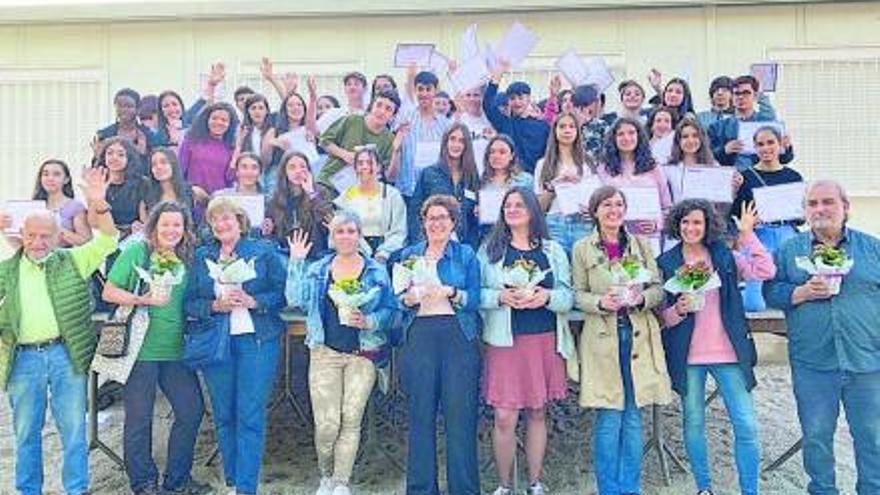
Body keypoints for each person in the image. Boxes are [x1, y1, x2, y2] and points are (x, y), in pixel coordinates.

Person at [0, 168, 118, 495]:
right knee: (25, 434)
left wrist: (99, 202)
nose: (38, 243)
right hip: (23, 360)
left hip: (66, 356)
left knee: (74, 432)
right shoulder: (6, 271)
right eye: (32, 236)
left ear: (57, 236)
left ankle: (76, 490)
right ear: (21, 236)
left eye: (45, 236)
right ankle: (28, 491)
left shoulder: (72, 261)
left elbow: (109, 241)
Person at [764, 180, 880, 495]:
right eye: (812, 204)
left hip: (867, 362)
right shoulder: (789, 251)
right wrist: (799, 292)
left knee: (872, 438)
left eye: (828, 202)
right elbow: (770, 291)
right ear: (805, 211)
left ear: (846, 208)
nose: (820, 209)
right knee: (816, 437)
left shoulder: (873, 249)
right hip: (813, 362)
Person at [658, 199, 775, 495]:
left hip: (728, 353)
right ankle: (704, 488)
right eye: (685, 222)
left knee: (746, 424)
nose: (690, 228)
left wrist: (747, 235)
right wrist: (679, 310)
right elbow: (661, 318)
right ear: (677, 225)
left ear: (707, 224)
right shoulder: (667, 262)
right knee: (693, 423)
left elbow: (765, 270)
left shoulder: (724, 256)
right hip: (688, 356)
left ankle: (750, 490)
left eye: (697, 222)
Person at [286, 211, 396, 495]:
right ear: (332, 238)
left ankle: (340, 482)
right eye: (340, 232)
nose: (346, 236)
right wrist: (296, 261)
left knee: (351, 418)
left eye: (351, 231)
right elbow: (294, 299)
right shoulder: (318, 269)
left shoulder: (375, 271)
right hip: (325, 352)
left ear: (359, 236)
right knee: (327, 424)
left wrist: (370, 321)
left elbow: (392, 312)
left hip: (364, 352)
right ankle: (325, 474)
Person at [102, 201, 209, 495]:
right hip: (141, 350)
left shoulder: (187, 258)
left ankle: (177, 479)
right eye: (165, 224)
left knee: (191, 410)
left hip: (175, 350)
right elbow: (109, 292)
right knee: (139, 418)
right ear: (154, 226)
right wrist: (144, 300)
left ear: (185, 229)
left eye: (177, 225)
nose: (171, 230)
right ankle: (144, 483)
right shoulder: (138, 252)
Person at [571, 185, 671, 495]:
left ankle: (631, 488)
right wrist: (601, 303)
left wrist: (640, 298)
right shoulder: (582, 248)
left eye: (618, 204)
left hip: (638, 335)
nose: (613, 210)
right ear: (595, 211)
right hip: (603, 338)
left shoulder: (640, 246)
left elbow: (659, 288)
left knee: (633, 413)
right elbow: (577, 294)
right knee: (609, 415)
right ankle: (609, 490)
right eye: (606, 205)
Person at [184, 197, 286, 495]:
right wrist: (214, 305)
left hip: (257, 341)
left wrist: (256, 301)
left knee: (250, 413)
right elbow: (189, 301)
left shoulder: (262, 251)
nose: (221, 224)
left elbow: (282, 292)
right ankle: (231, 481)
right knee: (224, 414)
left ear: (240, 221)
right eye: (215, 219)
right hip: (216, 342)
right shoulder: (202, 256)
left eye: (227, 218)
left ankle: (246, 487)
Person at [478, 187, 576, 495]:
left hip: (543, 339)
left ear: (533, 210)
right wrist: (499, 296)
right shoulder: (491, 250)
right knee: (505, 416)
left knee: (537, 411)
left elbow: (568, 296)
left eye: (520, 204)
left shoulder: (552, 250)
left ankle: (535, 483)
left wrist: (546, 296)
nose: (513, 209)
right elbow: (476, 294)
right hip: (506, 343)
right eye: (508, 205)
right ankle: (504, 485)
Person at [397, 194, 482, 495]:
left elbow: (476, 299)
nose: (436, 223)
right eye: (431, 218)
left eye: (442, 218)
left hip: (457, 334)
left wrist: (452, 292)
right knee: (420, 414)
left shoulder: (466, 255)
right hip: (420, 334)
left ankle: (464, 489)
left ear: (453, 222)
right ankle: (421, 489)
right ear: (423, 223)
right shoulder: (408, 255)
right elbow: (397, 300)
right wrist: (407, 299)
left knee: (460, 416)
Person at [733, 125, 803, 311]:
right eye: (760, 144)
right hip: (758, 235)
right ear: (755, 148)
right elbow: (736, 212)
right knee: (754, 302)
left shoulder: (793, 176)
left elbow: (801, 216)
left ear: (780, 145)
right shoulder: (746, 177)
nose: (766, 148)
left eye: (770, 142)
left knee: (791, 283)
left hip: (786, 233)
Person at [597, 118, 672, 252]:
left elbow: (667, 207)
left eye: (631, 133)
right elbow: (598, 205)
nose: (626, 138)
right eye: (620, 134)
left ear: (639, 136)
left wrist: (657, 225)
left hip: (649, 240)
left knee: (647, 273)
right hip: (614, 238)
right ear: (613, 139)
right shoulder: (603, 169)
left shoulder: (654, 168)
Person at [534, 112, 599, 254]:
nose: (567, 130)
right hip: (554, 223)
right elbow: (539, 207)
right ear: (555, 131)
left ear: (577, 131)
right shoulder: (543, 164)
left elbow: (596, 199)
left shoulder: (588, 163)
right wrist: (553, 186)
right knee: (558, 271)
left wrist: (592, 211)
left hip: (583, 224)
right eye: (562, 126)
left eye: (572, 126)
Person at [317, 89, 401, 199]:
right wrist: (344, 154)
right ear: (371, 106)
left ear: (393, 116)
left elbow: (390, 177)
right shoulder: (352, 120)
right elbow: (324, 141)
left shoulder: (390, 139)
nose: (381, 111)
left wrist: (396, 151)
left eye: (388, 109)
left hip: (358, 197)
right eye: (379, 105)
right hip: (329, 184)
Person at [410, 123, 481, 249]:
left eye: (461, 141)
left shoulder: (472, 176)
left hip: (463, 246)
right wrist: (420, 245)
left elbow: (475, 219)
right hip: (432, 243)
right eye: (452, 139)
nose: (456, 145)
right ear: (445, 142)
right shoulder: (428, 174)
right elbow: (415, 212)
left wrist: (471, 246)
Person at [333, 147, 407, 262]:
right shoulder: (347, 196)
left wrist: (383, 253)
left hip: (387, 254)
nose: (364, 167)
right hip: (355, 251)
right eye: (360, 163)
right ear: (355, 168)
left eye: (369, 162)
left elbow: (399, 231)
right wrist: (362, 251)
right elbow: (342, 228)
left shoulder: (392, 195)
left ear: (379, 167)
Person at [388, 71, 452, 201]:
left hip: (436, 191)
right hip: (408, 190)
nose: (424, 94)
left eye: (428, 89)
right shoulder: (404, 119)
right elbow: (395, 148)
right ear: (415, 90)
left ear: (435, 91)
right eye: (420, 89)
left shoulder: (445, 124)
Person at [708, 75, 793, 170]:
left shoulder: (767, 124)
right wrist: (724, 150)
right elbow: (707, 158)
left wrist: (787, 147)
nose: (741, 97)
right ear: (732, 96)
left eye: (746, 93)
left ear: (755, 95)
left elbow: (785, 159)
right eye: (737, 93)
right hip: (732, 179)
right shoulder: (717, 127)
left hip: (762, 179)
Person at [482, 60, 550, 174]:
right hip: (510, 179)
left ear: (528, 99)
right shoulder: (504, 123)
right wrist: (497, 77)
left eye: (521, 98)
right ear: (508, 101)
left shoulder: (543, 126)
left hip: (536, 179)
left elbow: (549, 153)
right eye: (512, 98)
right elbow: (487, 104)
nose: (517, 102)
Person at [264, 151, 333, 261]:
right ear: (284, 172)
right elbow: (272, 236)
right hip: (285, 256)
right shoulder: (274, 201)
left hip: (316, 255)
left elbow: (329, 220)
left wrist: (311, 193)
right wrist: (267, 232)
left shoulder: (320, 192)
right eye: (292, 167)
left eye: (302, 167)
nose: (298, 171)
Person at [178, 101, 239, 206]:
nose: (219, 122)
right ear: (207, 120)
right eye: (214, 118)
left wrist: (237, 151)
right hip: (193, 200)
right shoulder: (191, 141)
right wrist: (190, 189)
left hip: (220, 203)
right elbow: (179, 172)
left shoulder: (231, 147)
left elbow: (230, 178)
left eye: (224, 120)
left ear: (230, 124)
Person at [94, 136, 148, 237]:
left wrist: (141, 227)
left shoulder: (142, 183)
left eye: (121, 154)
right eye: (109, 153)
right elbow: (93, 223)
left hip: (133, 236)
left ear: (129, 158)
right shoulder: (97, 182)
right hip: (105, 235)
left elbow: (145, 220)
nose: (114, 158)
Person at [32, 158, 91, 247]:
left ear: (66, 179)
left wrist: (58, 230)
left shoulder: (75, 207)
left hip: (64, 258)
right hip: (35, 258)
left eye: (56, 174)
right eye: (45, 174)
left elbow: (86, 241)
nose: (50, 178)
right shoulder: (33, 206)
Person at [94, 88, 160, 162]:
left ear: (138, 109)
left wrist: (142, 154)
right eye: (120, 106)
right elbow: (97, 165)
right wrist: (98, 156)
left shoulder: (148, 135)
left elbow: (154, 163)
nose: (124, 110)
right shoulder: (105, 134)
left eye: (129, 106)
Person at [139, 148, 194, 223]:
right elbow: (144, 221)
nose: (158, 167)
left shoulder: (191, 191)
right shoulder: (147, 193)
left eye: (163, 162)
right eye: (154, 164)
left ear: (173, 164)